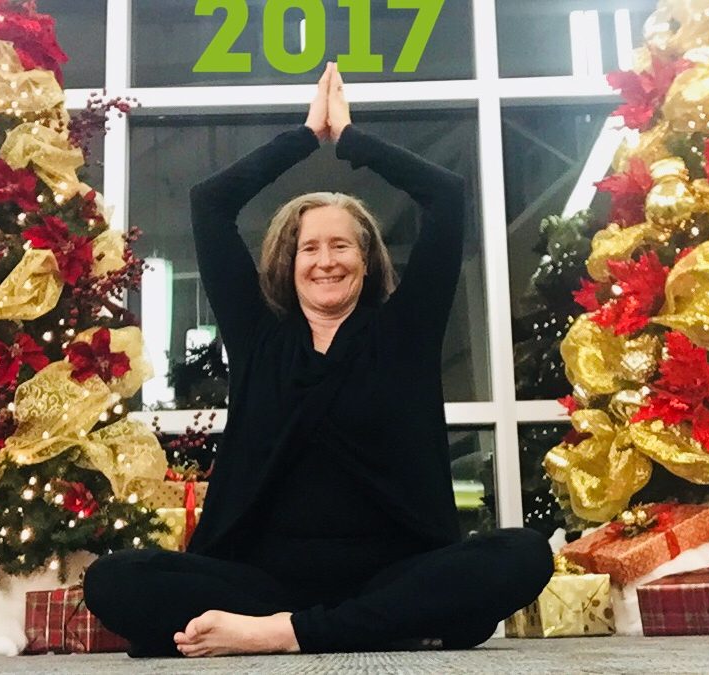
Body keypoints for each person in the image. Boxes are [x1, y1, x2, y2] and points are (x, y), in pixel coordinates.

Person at [83, 62, 553, 658]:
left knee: (524, 554)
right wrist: (305, 137)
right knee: (113, 579)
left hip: (391, 576)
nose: (325, 261)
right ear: (290, 261)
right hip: (260, 584)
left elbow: (445, 194)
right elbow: (211, 203)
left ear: (367, 259)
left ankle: (283, 635)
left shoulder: (405, 333)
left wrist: (351, 140)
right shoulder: (258, 338)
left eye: (341, 245)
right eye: (310, 247)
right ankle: (372, 628)